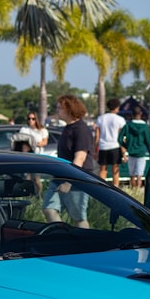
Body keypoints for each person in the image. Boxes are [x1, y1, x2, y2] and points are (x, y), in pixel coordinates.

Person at [45, 94, 96, 228]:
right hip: (60, 176)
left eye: (59, 108)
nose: (57, 110)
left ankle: (84, 244)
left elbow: (80, 157)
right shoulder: (67, 128)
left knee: (78, 217)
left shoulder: (81, 129)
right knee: (49, 208)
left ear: (69, 109)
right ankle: (61, 237)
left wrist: (69, 181)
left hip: (77, 178)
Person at [118, 105, 150, 190]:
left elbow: (119, 139)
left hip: (131, 152)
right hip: (141, 152)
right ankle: (138, 191)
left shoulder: (128, 125)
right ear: (140, 114)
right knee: (139, 175)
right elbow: (148, 142)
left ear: (132, 114)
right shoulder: (145, 127)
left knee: (132, 175)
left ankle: (133, 192)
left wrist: (127, 145)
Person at [94, 98, 126, 186]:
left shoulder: (101, 118)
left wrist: (95, 149)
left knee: (102, 169)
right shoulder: (120, 119)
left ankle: (101, 187)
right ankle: (116, 188)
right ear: (116, 107)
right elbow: (122, 136)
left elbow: (97, 135)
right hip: (115, 146)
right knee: (115, 169)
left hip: (103, 146)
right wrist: (124, 150)